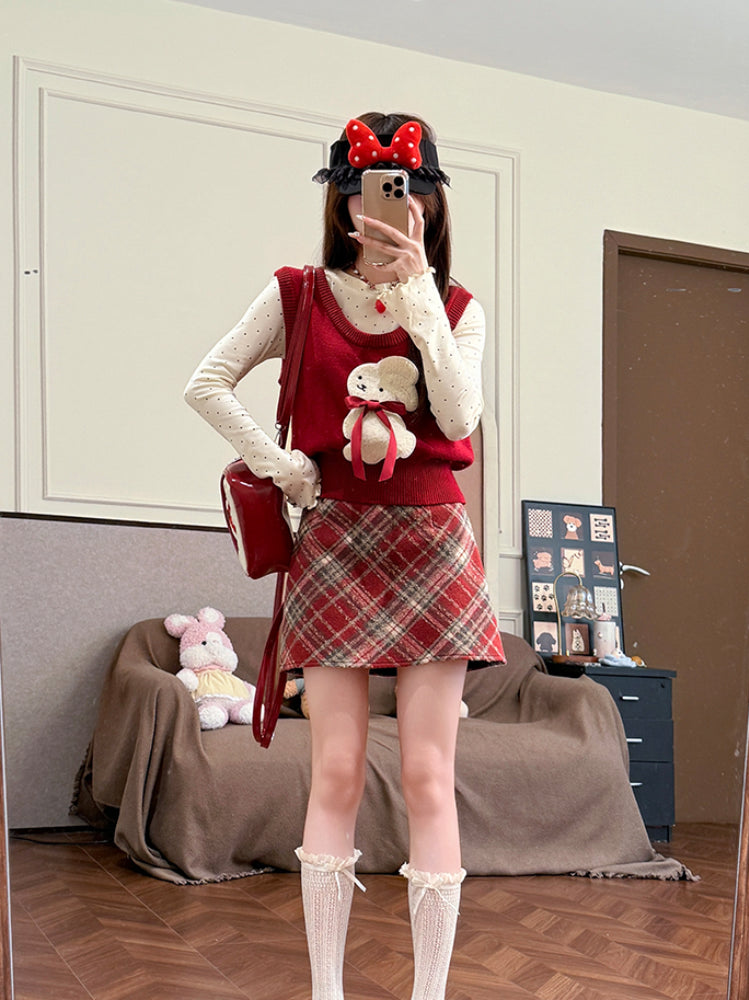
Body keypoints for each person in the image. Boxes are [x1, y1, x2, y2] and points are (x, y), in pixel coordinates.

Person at [185, 112, 506, 1000]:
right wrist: (285, 468)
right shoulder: (297, 294)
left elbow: (459, 418)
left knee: (429, 776)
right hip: (334, 543)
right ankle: (326, 992)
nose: (392, 210)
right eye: (368, 193)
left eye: (411, 194)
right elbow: (207, 382)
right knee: (332, 772)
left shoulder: (459, 308)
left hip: (435, 542)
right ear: (340, 203)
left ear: (432, 206)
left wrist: (419, 299)